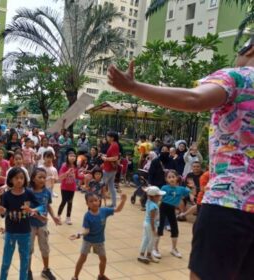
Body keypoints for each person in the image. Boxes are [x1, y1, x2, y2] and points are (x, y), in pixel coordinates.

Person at [108, 43, 254, 279]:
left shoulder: (236, 77)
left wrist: (133, 87)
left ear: (250, 50)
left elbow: (193, 100)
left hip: (228, 204)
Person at [69, 193, 127, 280]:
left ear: (99, 201)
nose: (94, 203)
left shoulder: (104, 211)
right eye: (91, 201)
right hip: (88, 240)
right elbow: (86, 230)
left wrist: (123, 200)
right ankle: (75, 277)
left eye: (96, 200)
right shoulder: (87, 216)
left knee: (103, 259)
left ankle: (101, 276)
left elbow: (117, 209)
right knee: (82, 259)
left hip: (99, 240)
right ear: (87, 204)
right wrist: (78, 235)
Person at [0, 167, 41, 280]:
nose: (19, 180)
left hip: (25, 233)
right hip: (10, 232)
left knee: (25, 261)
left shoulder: (29, 193)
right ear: (10, 180)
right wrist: (1, 211)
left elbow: (39, 207)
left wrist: (31, 210)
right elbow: (3, 213)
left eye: (22, 178)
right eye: (16, 178)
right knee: (6, 261)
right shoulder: (6, 195)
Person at [28, 168, 61, 280]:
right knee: (29, 249)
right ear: (33, 178)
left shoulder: (47, 191)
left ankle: (46, 270)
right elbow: (26, 209)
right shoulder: (29, 192)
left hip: (42, 225)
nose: (42, 179)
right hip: (30, 225)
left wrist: (54, 217)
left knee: (45, 248)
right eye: (40, 177)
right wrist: (37, 215)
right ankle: (28, 271)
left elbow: (48, 206)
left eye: (44, 177)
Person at [153, 170, 193, 259]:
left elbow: (191, 193)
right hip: (163, 208)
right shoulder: (164, 187)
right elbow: (159, 198)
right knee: (160, 228)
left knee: (175, 229)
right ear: (166, 179)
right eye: (169, 177)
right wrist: (156, 212)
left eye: (173, 177)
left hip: (172, 210)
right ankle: (155, 248)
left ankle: (174, 249)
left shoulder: (182, 189)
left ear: (177, 178)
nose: (171, 179)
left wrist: (192, 188)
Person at [137, 186, 165, 264]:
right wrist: (153, 229)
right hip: (150, 225)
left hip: (146, 224)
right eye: (159, 196)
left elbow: (147, 193)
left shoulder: (148, 201)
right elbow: (152, 219)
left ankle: (142, 254)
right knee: (152, 240)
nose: (160, 197)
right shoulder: (154, 206)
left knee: (145, 239)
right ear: (154, 197)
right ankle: (149, 255)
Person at [57, 150, 84, 225]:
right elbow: (60, 177)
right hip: (64, 187)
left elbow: (78, 176)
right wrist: (67, 172)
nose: (73, 157)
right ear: (67, 157)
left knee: (70, 202)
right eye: (71, 156)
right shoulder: (64, 166)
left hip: (72, 187)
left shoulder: (75, 166)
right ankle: (58, 216)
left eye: (74, 156)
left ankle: (68, 218)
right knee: (64, 201)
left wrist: (84, 176)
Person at [101, 131, 120, 208]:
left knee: (101, 185)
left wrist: (105, 158)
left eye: (108, 136)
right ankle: (114, 204)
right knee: (111, 187)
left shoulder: (114, 145)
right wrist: (106, 157)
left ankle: (97, 202)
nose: (107, 137)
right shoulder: (113, 144)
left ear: (112, 138)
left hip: (109, 168)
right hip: (111, 168)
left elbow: (115, 157)